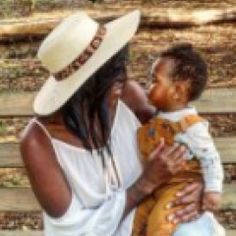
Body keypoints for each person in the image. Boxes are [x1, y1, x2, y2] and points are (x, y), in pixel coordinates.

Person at [20, 11, 205, 236]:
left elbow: (185, 141)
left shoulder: (128, 97)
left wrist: (197, 187)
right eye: (109, 70)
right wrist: (144, 185)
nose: (122, 75)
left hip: (152, 223)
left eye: (118, 64)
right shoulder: (38, 141)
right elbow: (73, 230)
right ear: (82, 86)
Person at [135, 43, 225, 236]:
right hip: (157, 189)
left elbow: (210, 158)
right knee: (136, 220)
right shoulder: (160, 119)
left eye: (154, 81)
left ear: (177, 91)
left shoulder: (191, 126)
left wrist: (212, 190)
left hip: (178, 189)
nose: (147, 86)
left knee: (160, 225)